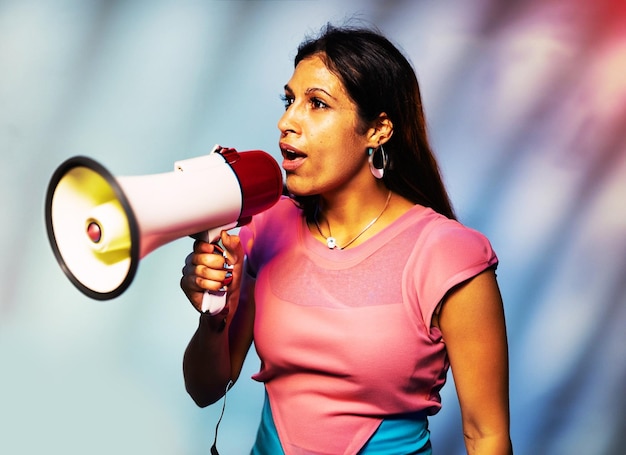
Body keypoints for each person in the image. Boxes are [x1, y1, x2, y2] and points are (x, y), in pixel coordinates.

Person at [180, 24, 512, 455]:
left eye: (316, 104)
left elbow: (485, 434)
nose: (287, 121)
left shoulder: (448, 255)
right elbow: (205, 389)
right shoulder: (268, 226)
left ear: (378, 130)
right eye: (290, 100)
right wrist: (213, 317)